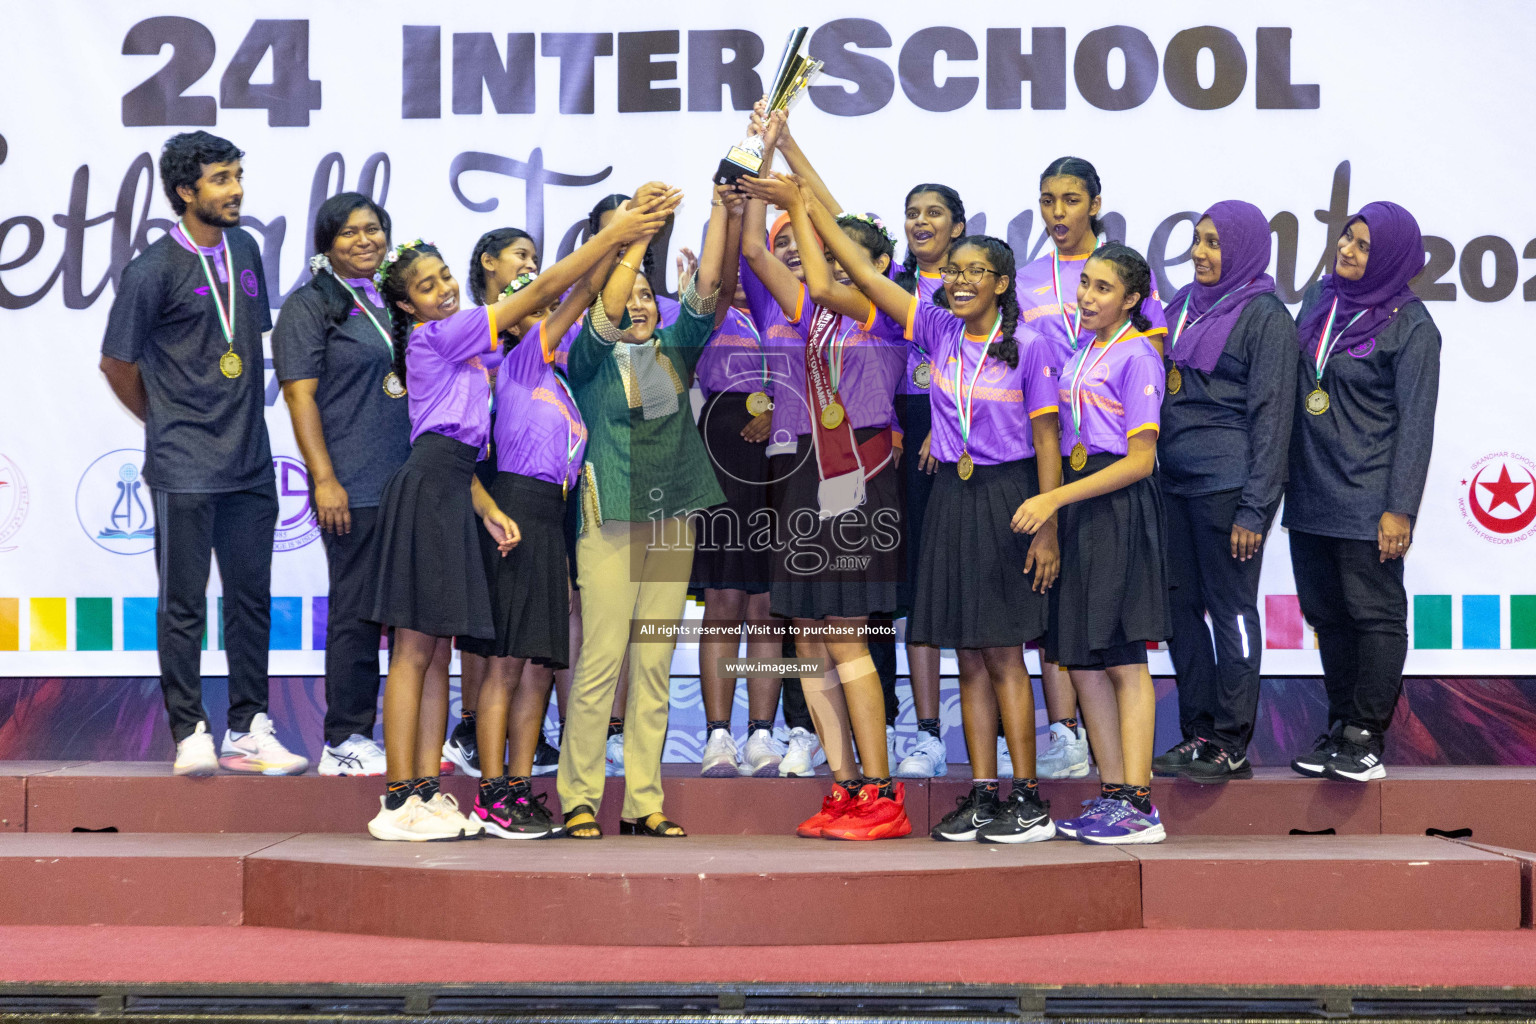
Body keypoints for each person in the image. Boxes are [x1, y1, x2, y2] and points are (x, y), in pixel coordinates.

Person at [365, 198, 670, 842]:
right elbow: (557, 293)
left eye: (444, 277)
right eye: (427, 286)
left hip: (458, 489)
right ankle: (399, 797)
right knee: (414, 648)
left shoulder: (482, 356)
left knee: (438, 650)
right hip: (428, 486)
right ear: (405, 307)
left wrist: (487, 507)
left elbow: (566, 305)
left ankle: (428, 789)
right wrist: (614, 236)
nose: (444, 290)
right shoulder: (441, 337)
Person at [810, 204, 1065, 844]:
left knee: (1004, 654)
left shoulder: (1031, 346)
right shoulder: (938, 330)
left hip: (1010, 498)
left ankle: (1027, 797)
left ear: (1002, 283)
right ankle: (983, 793)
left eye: (975, 271)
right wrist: (795, 181)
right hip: (950, 495)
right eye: (953, 272)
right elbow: (861, 278)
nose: (959, 281)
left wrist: (1048, 523)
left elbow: (1047, 440)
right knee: (968, 656)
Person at [100, 131, 307, 777]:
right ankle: (188, 727)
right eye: (221, 178)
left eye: (237, 175)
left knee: (252, 601)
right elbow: (116, 362)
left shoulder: (245, 247)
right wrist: (165, 422)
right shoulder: (151, 269)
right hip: (184, 465)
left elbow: (242, 345)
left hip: (249, 461)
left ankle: (248, 727)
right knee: (183, 604)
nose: (236, 188)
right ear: (186, 191)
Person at [739, 144, 912, 842]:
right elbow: (753, 248)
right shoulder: (812, 315)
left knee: (844, 638)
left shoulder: (891, 313)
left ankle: (882, 790)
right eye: (834, 263)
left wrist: (801, 192)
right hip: (807, 479)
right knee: (810, 639)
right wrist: (764, 153)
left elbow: (824, 249)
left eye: (851, 262)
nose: (836, 270)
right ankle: (843, 786)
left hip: (858, 481)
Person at [557, 180, 729, 840]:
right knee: (602, 662)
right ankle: (579, 796)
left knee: (654, 668)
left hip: (672, 522)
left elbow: (709, 280)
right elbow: (606, 306)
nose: (636, 305)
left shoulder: (677, 347)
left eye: (644, 297)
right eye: (624, 297)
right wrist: (631, 240)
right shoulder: (589, 357)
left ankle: (643, 803)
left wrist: (722, 204)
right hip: (607, 521)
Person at [1014, 156, 1168, 780]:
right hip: (1080, 500)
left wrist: (1052, 501)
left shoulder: (1137, 355)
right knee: (1081, 659)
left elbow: (1142, 459)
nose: (1087, 297)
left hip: (1116, 504)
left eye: (1103, 290)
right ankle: (1112, 789)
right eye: (1085, 287)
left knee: (1124, 659)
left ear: (1133, 300)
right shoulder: (1082, 348)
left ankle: (1137, 798)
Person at [1284, 202, 1438, 783]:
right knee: (1327, 614)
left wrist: (1399, 509)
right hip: (1310, 493)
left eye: (1363, 245)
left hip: (1369, 498)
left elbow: (1416, 425)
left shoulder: (1413, 326)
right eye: (1346, 238)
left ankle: (1366, 736)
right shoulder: (1320, 303)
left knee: (1373, 615)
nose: (1346, 250)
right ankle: (1340, 725)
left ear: (1392, 257)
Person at [1151, 201, 1297, 784]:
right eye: (1197, 240)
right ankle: (1198, 733)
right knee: (1179, 611)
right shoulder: (1180, 306)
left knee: (1232, 611)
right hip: (1172, 486)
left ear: (1241, 248)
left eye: (1214, 243)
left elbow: (1274, 420)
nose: (1201, 253)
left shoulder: (1265, 317)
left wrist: (1255, 509)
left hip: (1230, 491)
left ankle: (1232, 741)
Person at [463, 265, 605, 839]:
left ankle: (518, 788)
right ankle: (491, 794)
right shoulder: (520, 360)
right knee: (504, 666)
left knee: (537, 670)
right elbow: (582, 296)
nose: (549, 317)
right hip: (514, 515)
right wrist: (624, 238)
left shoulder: (561, 378)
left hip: (550, 521)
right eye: (537, 308)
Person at [273, 192, 409, 777]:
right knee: (357, 613)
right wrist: (323, 479)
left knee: (407, 616)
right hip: (353, 484)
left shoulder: (394, 300)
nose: (365, 240)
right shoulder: (310, 306)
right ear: (326, 242)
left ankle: (398, 736)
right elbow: (298, 395)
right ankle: (345, 737)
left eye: (374, 229)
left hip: (408, 484)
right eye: (350, 232)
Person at [441, 227, 547, 780]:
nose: (530, 263)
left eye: (536, 257)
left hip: (520, 470)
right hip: (473, 469)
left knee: (507, 611)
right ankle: (469, 723)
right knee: (477, 610)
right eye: (520, 255)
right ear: (488, 261)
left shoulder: (534, 324)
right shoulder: (469, 325)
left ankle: (512, 733)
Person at [690, 230, 790, 778]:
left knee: (768, 604)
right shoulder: (702, 304)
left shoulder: (789, 304)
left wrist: (781, 405)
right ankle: (718, 735)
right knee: (724, 597)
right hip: (725, 449)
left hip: (784, 454)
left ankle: (760, 733)